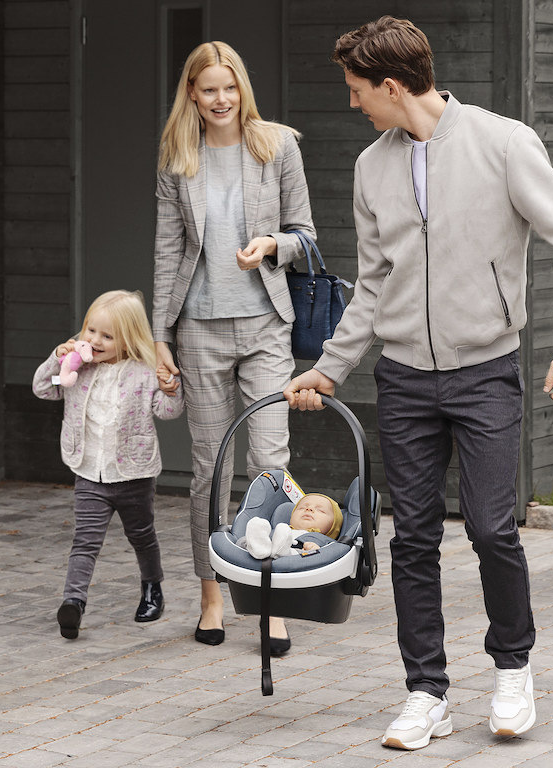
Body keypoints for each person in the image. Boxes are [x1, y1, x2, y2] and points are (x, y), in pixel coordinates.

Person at [284, 16, 553, 749]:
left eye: (358, 90)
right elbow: (373, 283)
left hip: (486, 372)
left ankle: (512, 670)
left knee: (492, 528)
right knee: (413, 539)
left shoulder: (504, 143)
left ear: (393, 86)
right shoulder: (371, 167)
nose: (353, 103)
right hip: (404, 379)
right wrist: (331, 367)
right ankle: (425, 692)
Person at [153, 40, 316, 654]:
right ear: (192, 94)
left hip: (266, 325)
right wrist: (160, 336)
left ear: (241, 87)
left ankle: (272, 599)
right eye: (209, 89)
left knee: (271, 464)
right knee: (210, 468)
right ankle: (212, 595)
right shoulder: (177, 157)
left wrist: (272, 245)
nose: (221, 99)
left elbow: (306, 234)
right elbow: (167, 250)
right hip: (198, 329)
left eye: (230, 87)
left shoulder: (278, 146)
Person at [32, 290, 185, 640]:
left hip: (134, 474)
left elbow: (168, 411)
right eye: (91, 330)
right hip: (89, 473)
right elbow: (44, 388)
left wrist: (171, 388)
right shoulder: (77, 370)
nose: (95, 341)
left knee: (142, 536)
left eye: (107, 336)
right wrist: (57, 360)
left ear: (128, 339)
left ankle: (152, 588)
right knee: (85, 541)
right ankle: (74, 602)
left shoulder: (143, 373)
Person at [239, 493, 343, 559]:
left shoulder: (326, 542)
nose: (309, 509)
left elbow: (328, 557)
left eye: (320, 510)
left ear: (333, 526)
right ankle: (258, 547)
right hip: (268, 544)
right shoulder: (279, 529)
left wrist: (316, 549)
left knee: (309, 555)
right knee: (246, 539)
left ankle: (282, 552)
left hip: (296, 556)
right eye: (302, 508)